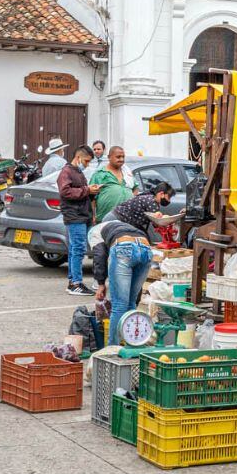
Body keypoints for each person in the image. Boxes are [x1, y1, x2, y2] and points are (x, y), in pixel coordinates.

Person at [94, 183, 172, 341]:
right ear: (161, 193)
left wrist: (100, 283)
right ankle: (130, 342)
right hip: (142, 246)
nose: (168, 200)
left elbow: (99, 256)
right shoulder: (150, 200)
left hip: (125, 245)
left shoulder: (147, 199)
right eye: (168, 197)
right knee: (129, 303)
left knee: (120, 305)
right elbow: (158, 218)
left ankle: (113, 347)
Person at [55, 145, 101, 297]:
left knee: (75, 249)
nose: (87, 164)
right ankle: (76, 283)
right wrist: (87, 190)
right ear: (78, 157)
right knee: (78, 250)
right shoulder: (66, 172)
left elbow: (80, 191)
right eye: (86, 161)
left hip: (82, 215)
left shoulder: (78, 172)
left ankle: (73, 282)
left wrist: (91, 190)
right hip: (75, 216)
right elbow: (66, 191)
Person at [91, 146, 132, 222]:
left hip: (127, 219)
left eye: (123, 157)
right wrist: (93, 216)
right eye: (118, 157)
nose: (121, 159)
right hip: (105, 219)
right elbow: (91, 198)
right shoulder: (100, 174)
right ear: (109, 157)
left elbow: (135, 188)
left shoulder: (127, 173)